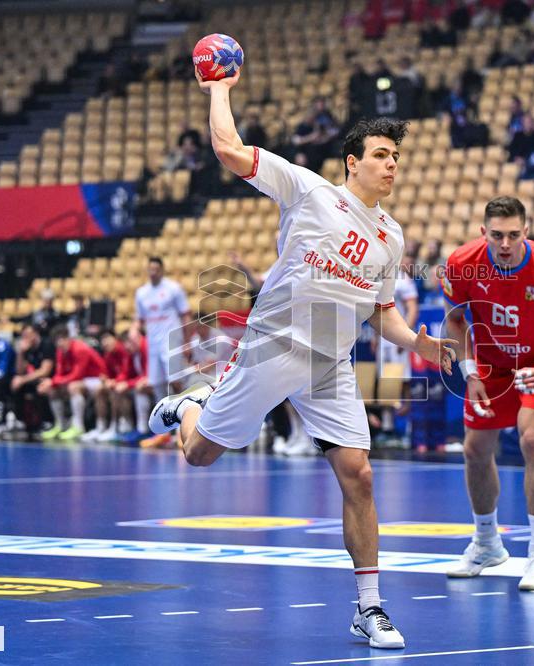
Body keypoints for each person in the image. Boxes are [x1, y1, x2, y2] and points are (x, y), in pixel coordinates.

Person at [147, 66, 456, 650]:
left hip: (329, 364)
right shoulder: (309, 189)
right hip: (272, 348)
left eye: (397, 157)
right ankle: (189, 405)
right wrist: (219, 89)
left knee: (359, 476)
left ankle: (370, 608)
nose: (392, 165)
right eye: (382, 154)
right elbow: (228, 149)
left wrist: (420, 343)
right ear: (352, 162)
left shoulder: (392, 239)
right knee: (198, 455)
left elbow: (380, 312)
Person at [441, 196, 534, 590]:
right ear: (483, 233)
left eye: (513, 235)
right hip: (491, 364)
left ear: (526, 232)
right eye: (497, 235)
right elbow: (455, 322)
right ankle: (487, 543)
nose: (505, 244)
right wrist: (469, 370)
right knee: (475, 449)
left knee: (531, 438)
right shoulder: (461, 263)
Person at [135, 256, 193, 447]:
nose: (153, 272)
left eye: (156, 269)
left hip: (172, 341)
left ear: (162, 270)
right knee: (157, 385)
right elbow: (140, 320)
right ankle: (165, 431)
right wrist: (134, 331)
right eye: (150, 269)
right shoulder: (141, 293)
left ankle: (183, 429)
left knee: (176, 383)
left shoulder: (173, 289)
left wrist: (187, 342)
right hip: (153, 344)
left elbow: (186, 315)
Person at [37, 325, 107, 441]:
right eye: (57, 342)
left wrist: (53, 381)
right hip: (82, 380)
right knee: (52, 390)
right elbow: (60, 373)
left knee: (73, 387)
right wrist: (51, 383)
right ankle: (60, 425)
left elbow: (77, 375)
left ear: (68, 338)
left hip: (97, 378)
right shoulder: (60, 351)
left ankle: (78, 426)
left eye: (61, 341)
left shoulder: (80, 349)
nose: (60, 345)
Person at [83, 329, 132, 443]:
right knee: (99, 389)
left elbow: (127, 371)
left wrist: (114, 381)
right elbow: (106, 374)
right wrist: (106, 380)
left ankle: (115, 427)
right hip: (117, 383)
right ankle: (101, 426)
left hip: (128, 382)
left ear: (115, 339)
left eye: (107, 339)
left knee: (114, 391)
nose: (105, 343)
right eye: (103, 341)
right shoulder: (108, 355)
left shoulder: (124, 350)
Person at [9, 323, 55, 436]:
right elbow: (20, 371)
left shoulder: (47, 345)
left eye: (28, 335)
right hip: (33, 378)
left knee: (41, 386)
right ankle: (20, 421)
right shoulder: (27, 349)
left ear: (36, 334)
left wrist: (23, 379)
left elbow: (45, 371)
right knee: (15, 383)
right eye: (24, 336)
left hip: (50, 378)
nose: (26, 338)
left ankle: (47, 421)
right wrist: (20, 352)